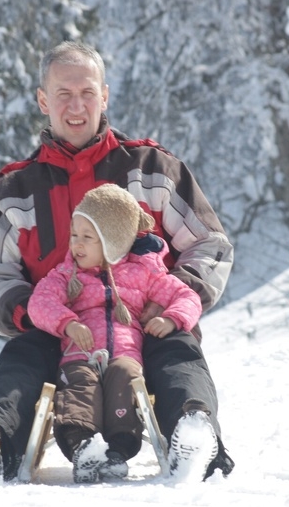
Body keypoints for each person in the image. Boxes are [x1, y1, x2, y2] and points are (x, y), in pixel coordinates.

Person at [0, 41, 234, 483]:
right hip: (58, 328)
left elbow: (209, 244)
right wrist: (33, 312)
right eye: (63, 94)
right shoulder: (14, 192)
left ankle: (194, 433)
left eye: (87, 92)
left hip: (144, 321)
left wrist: (173, 302)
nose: (76, 106)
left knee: (178, 353)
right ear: (43, 101)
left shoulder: (151, 169)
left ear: (105, 96)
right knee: (21, 359)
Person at [26, 184, 203, 483]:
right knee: (80, 385)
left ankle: (118, 451)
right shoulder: (66, 275)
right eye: (74, 235)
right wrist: (68, 323)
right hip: (80, 355)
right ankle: (82, 446)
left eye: (87, 237)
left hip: (125, 355)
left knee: (125, 380)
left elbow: (188, 298)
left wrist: (172, 319)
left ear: (113, 242)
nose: (77, 244)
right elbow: (39, 303)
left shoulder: (144, 273)